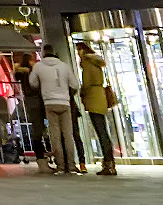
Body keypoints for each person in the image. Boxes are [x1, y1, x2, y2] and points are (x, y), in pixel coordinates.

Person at [29, 48, 80, 176]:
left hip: (49, 103)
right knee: (68, 135)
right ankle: (72, 166)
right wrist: (65, 92)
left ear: (43, 54)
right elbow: (75, 85)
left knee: (55, 136)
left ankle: (61, 166)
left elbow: (32, 83)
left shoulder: (38, 66)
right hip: (65, 103)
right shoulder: (64, 66)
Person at [76, 41, 117, 175]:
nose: (77, 54)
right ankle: (110, 163)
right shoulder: (96, 62)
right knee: (103, 131)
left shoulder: (87, 63)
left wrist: (82, 93)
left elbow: (87, 83)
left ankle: (108, 163)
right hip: (100, 98)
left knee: (101, 131)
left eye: (78, 51)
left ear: (82, 51)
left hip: (93, 99)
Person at [12, 54, 48, 171]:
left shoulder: (21, 73)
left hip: (30, 102)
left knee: (36, 130)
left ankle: (41, 159)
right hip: (38, 101)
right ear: (31, 61)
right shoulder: (33, 72)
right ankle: (43, 159)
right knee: (40, 130)